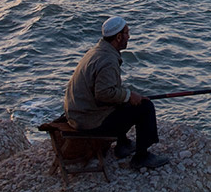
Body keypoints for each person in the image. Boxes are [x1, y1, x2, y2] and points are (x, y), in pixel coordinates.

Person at [64, 16, 170, 169]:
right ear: (119, 37)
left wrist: (127, 96)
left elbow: (106, 92)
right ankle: (141, 156)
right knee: (145, 108)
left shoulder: (97, 51)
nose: (129, 37)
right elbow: (103, 94)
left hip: (78, 113)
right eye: (127, 33)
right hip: (88, 121)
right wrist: (128, 95)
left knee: (125, 100)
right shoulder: (107, 60)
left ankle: (123, 144)